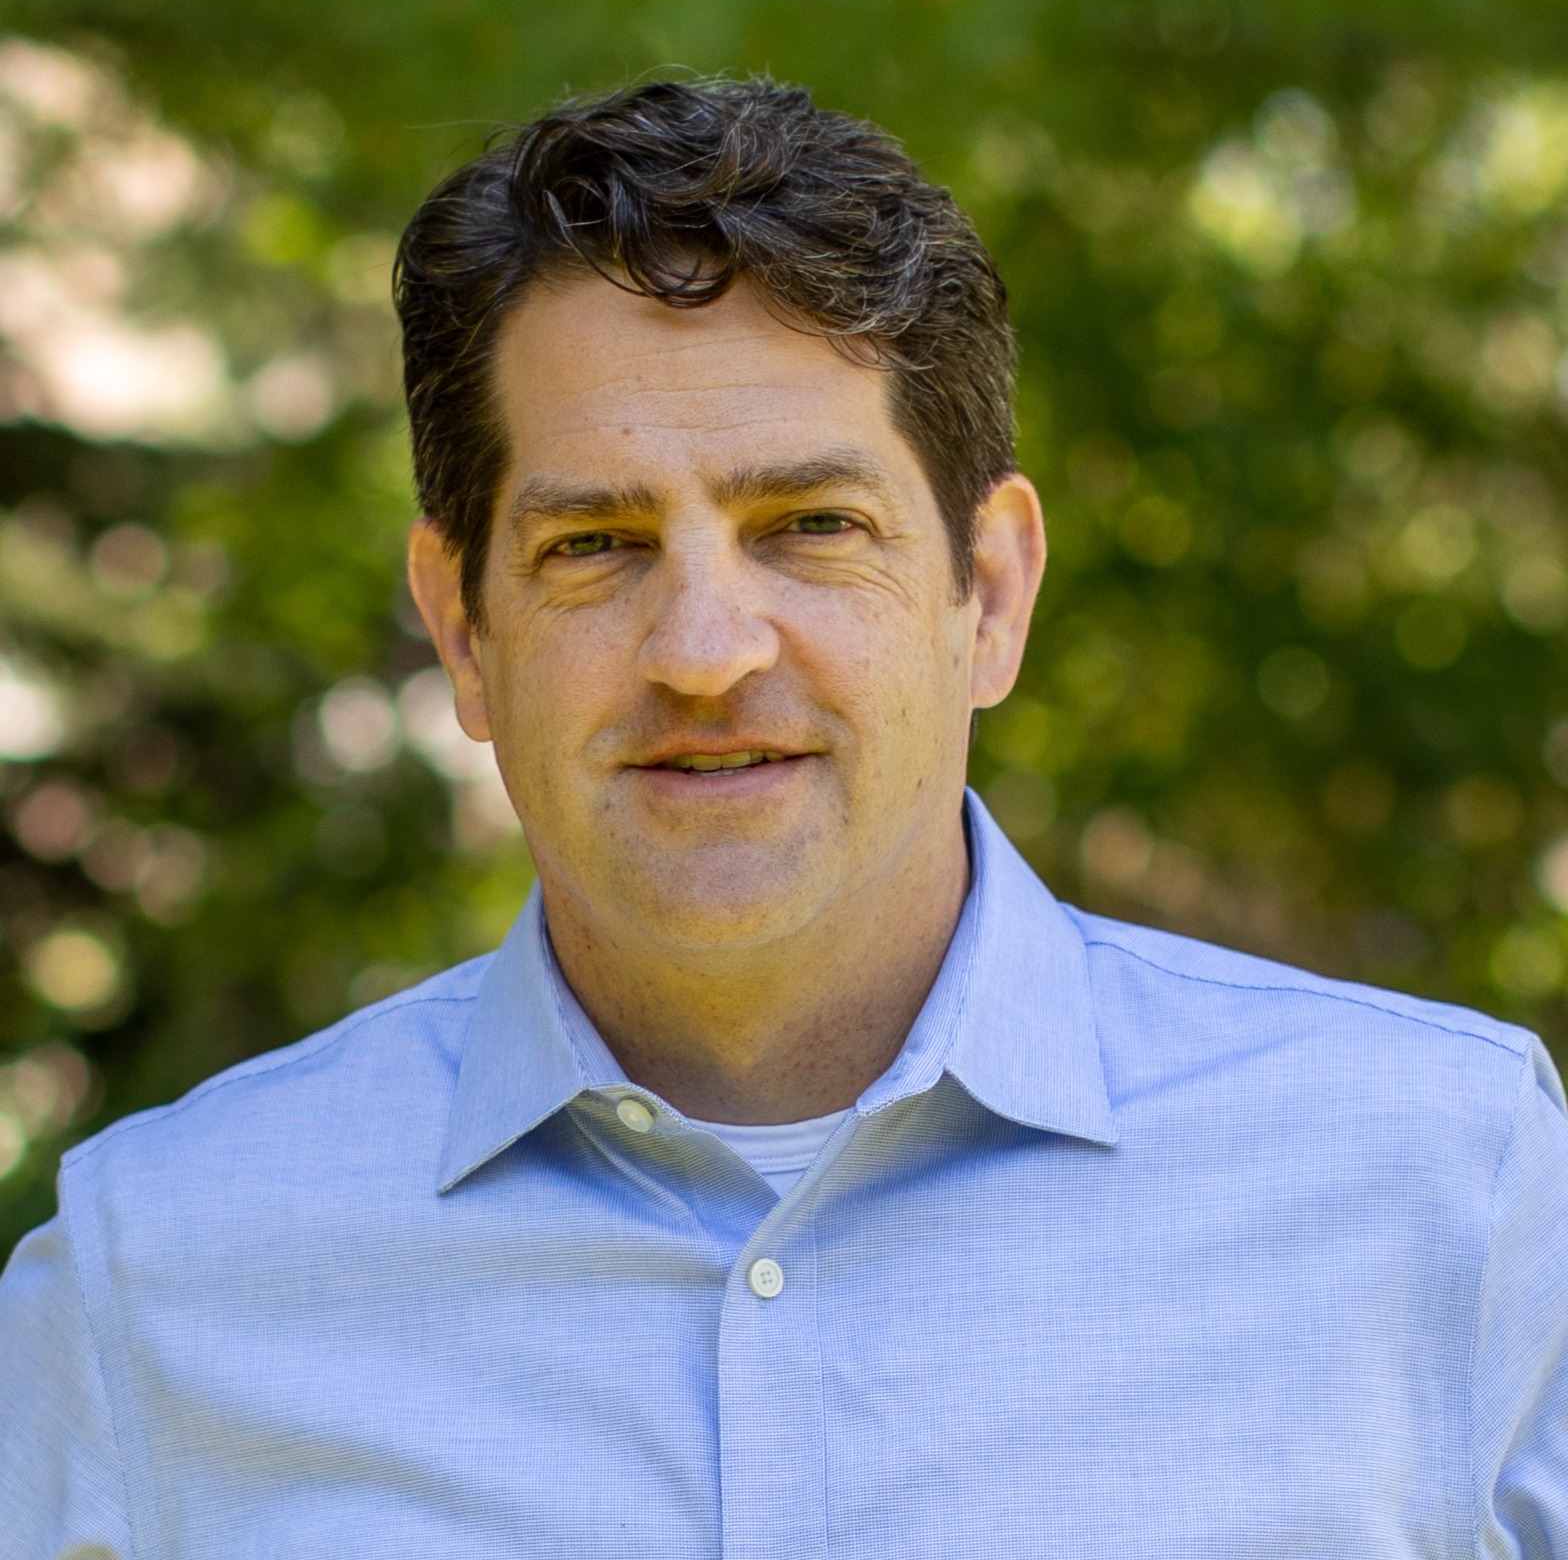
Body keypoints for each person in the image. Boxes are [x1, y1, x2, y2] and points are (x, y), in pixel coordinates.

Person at [3, 76, 1565, 1558]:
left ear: (991, 595)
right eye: (595, 545)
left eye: (811, 525)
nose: (704, 651)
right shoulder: (152, 1283)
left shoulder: (1447, 1187)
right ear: (464, 630)